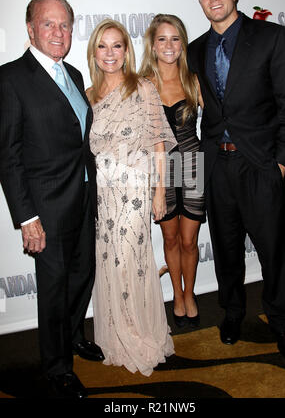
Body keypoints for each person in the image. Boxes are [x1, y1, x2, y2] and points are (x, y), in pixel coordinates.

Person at [188, 0, 285, 360]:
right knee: (227, 247)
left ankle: (281, 323)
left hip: (261, 165)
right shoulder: (195, 49)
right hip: (218, 165)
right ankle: (232, 313)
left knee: (274, 252)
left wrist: (282, 163)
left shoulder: (271, 38)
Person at [0, 0, 104, 399]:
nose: (58, 32)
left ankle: (75, 335)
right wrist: (27, 217)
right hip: (45, 209)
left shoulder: (75, 75)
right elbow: (7, 156)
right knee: (54, 289)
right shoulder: (10, 79)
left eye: (65, 25)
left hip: (82, 198)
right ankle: (57, 366)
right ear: (30, 28)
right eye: (49, 24)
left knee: (81, 277)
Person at [86, 19, 176, 376]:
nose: (110, 54)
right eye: (103, 46)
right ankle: (118, 335)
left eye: (117, 45)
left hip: (135, 190)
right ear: (94, 51)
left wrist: (159, 193)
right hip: (102, 194)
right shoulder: (89, 94)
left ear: (127, 49)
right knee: (110, 263)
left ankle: (138, 332)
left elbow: (158, 145)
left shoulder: (143, 88)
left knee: (129, 262)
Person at [139, 14, 205, 328]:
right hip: (159, 172)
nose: (169, 45)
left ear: (183, 43)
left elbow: (224, 117)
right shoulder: (140, 84)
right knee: (170, 240)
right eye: (162, 39)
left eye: (175, 38)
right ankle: (177, 295)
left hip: (192, 165)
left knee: (190, 241)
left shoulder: (193, 79)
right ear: (152, 45)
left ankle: (190, 293)